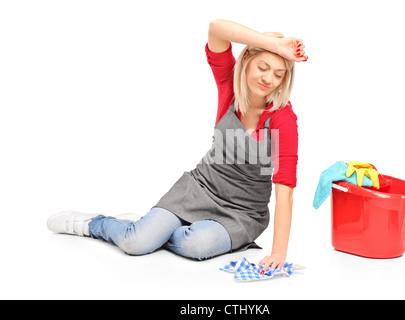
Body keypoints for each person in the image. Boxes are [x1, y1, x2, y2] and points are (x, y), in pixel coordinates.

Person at [47, 19, 308, 274]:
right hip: (200, 189)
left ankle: (148, 228)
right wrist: (274, 44)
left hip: (243, 213)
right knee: (135, 244)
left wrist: (278, 253)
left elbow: (285, 189)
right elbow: (216, 29)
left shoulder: (282, 118)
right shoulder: (230, 88)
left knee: (197, 245)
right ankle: (98, 225)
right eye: (262, 67)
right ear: (248, 60)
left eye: (278, 74)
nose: (268, 79)